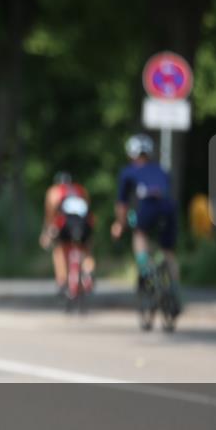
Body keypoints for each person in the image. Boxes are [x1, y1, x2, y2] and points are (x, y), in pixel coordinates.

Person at [110, 133, 181, 313]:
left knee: (140, 234)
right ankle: (174, 291)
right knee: (168, 252)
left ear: (131, 154)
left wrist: (120, 224)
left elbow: (122, 204)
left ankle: (145, 270)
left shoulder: (128, 172)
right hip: (168, 208)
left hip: (147, 207)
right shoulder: (162, 169)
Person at [39, 172, 95, 295]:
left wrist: (47, 232)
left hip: (65, 225)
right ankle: (88, 272)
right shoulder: (81, 190)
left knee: (59, 248)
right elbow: (88, 210)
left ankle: (62, 280)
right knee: (86, 249)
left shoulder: (54, 191)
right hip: (84, 224)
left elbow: (50, 214)